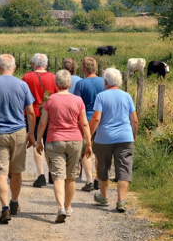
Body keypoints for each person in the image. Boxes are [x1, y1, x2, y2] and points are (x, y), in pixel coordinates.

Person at [0, 54, 36, 224]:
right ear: (14, 68)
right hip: (18, 132)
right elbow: (31, 112)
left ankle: (5, 208)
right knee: (16, 171)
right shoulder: (23, 85)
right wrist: (31, 134)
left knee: (1, 172)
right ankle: (14, 202)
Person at [35, 70, 92, 223]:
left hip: (55, 140)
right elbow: (84, 123)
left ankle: (60, 207)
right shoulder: (78, 100)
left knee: (58, 176)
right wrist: (89, 143)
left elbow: (43, 123)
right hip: (75, 141)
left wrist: (38, 141)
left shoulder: (49, 100)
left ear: (56, 83)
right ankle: (68, 206)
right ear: (70, 83)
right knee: (71, 177)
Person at [90, 67, 138, 213]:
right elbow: (134, 120)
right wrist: (133, 135)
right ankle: (121, 201)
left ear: (105, 82)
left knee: (103, 166)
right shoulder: (127, 96)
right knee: (124, 168)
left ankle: (103, 196)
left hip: (104, 137)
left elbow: (96, 118)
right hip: (125, 137)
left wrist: (89, 135)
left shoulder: (101, 96)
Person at [22, 53, 56, 188]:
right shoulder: (53, 77)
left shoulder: (27, 77)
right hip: (49, 114)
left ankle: (41, 174)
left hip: (32, 114)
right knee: (49, 143)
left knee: (37, 142)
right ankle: (52, 173)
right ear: (46, 65)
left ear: (33, 64)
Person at [73, 57, 105, 192]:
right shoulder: (103, 82)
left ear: (84, 69)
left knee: (86, 149)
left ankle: (89, 180)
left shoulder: (81, 84)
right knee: (99, 150)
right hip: (101, 119)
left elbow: (76, 104)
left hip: (85, 120)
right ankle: (98, 178)